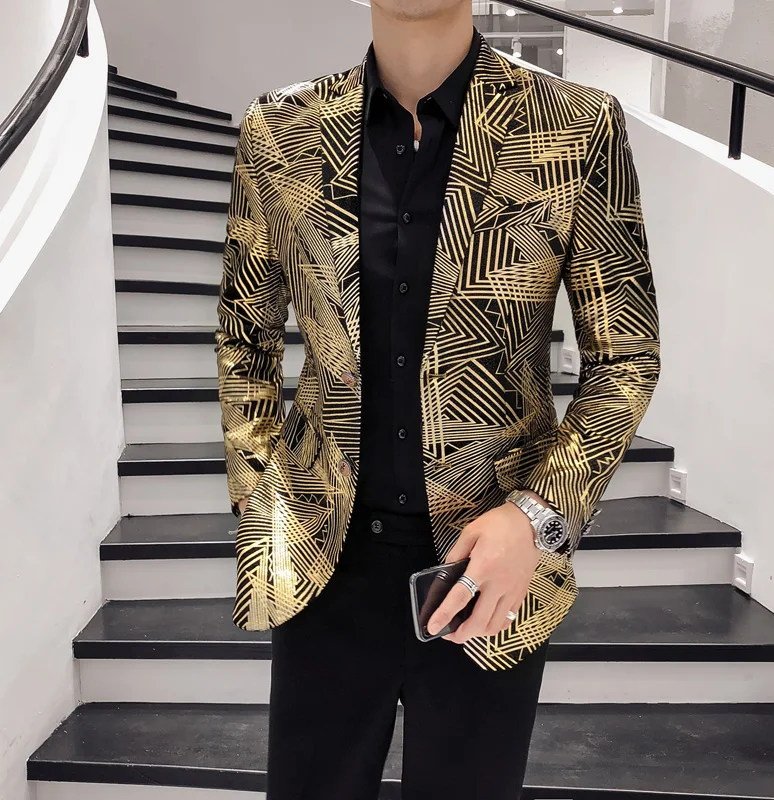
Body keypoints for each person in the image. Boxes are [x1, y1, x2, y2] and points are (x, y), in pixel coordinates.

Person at [215, 0, 660, 797]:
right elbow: (245, 337)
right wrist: (262, 504)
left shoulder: (575, 127)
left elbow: (625, 356)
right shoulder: (279, 129)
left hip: (490, 566)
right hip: (323, 563)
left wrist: (538, 520)